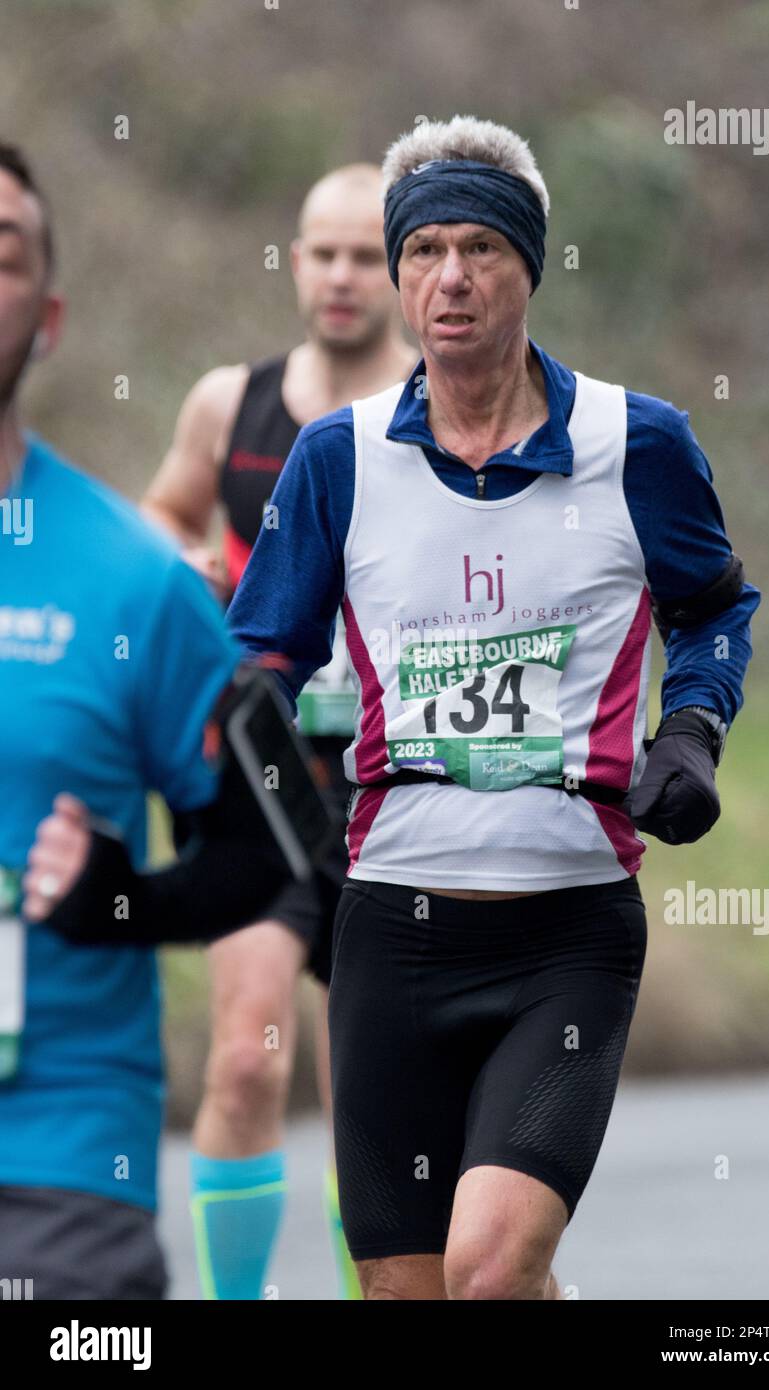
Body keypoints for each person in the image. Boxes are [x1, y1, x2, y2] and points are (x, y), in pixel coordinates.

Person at [226, 115, 762, 1300]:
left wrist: (692, 729)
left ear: (530, 264)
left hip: (566, 932)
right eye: (422, 252)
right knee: (416, 1295)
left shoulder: (640, 445)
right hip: (388, 929)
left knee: (488, 1268)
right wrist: (274, 807)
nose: (449, 279)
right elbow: (262, 659)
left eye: (479, 248)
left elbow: (716, 610)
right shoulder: (339, 457)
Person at [141, 164, 418, 1300]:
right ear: (295, 260)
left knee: (378, 1089)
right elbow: (164, 510)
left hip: (398, 793)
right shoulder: (229, 401)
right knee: (247, 1054)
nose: (345, 276)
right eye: (326, 252)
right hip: (255, 782)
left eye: (368, 255)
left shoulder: (439, 407)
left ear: (401, 272)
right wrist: (188, 560)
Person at [0, 144, 255, 1298]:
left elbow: (259, 854)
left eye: (0, 256)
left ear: (47, 317)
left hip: (54, 1172)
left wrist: (120, 895)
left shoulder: (135, 581)